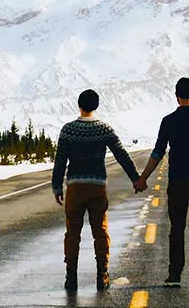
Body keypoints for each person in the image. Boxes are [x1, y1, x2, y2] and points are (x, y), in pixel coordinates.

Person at [135, 77, 189, 287]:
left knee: (177, 228)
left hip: (177, 182)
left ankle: (175, 275)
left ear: (176, 96)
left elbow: (157, 153)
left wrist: (143, 178)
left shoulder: (169, 121)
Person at [51, 87, 142, 294]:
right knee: (100, 231)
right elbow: (121, 155)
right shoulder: (104, 129)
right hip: (97, 188)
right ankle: (102, 275)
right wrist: (135, 179)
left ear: (79, 105)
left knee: (72, 233)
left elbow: (60, 161)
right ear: (97, 106)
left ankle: (71, 276)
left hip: (74, 187)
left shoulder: (68, 130)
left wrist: (57, 186)